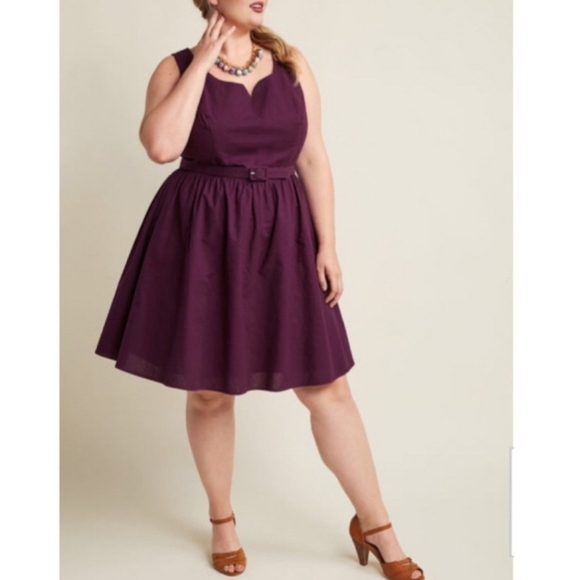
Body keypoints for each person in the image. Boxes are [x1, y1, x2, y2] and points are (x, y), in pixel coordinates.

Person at [94, 1, 424, 578]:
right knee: (210, 392)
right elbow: (161, 147)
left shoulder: (291, 63)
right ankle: (222, 520)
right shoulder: (175, 68)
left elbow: (313, 156)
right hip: (203, 237)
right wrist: (202, 61)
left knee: (328, 388)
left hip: (283, 235)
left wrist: (327, 244)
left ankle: (377, 526)